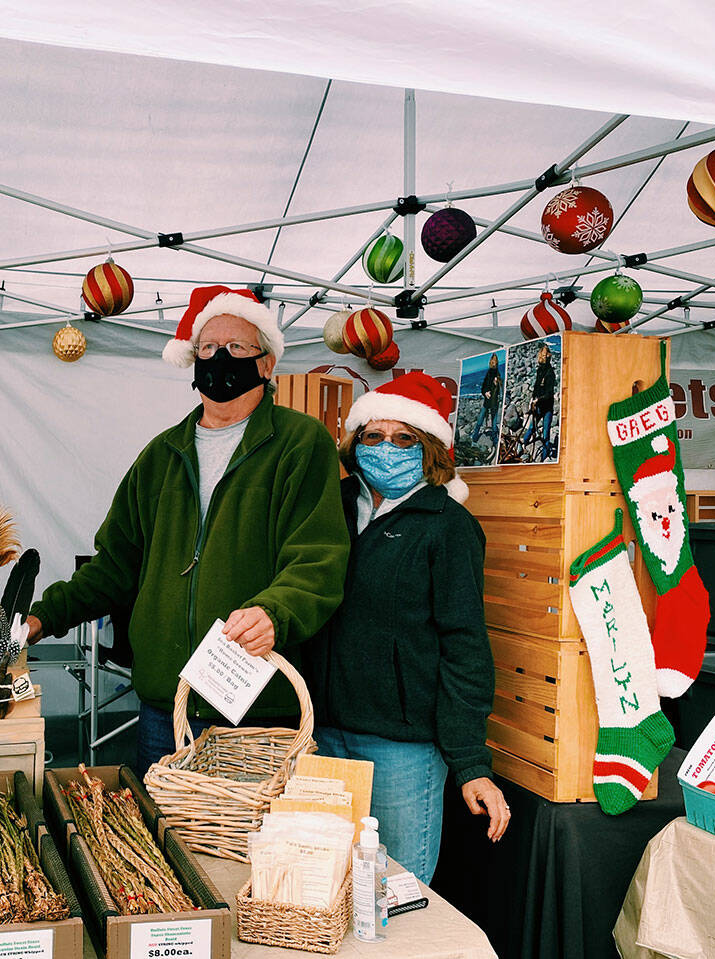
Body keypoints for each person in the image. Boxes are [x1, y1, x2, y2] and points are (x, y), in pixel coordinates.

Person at [26, 285, 350, 775]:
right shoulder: (161, 455)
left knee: (242, 848)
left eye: (238, 347)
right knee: (167, 842)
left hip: (256, 710)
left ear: (267, 364)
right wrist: (41, 619)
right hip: (165, 705)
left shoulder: (300, 444)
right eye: (208, 347)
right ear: (191, 360)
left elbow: (317, 557)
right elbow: (115, 564)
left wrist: (275, 612)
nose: (221, 357)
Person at [304, 372, 509, 884]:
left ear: (431, 449)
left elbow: (465, 647)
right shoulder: (329, 506)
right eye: (373, 436)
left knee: (396, 890)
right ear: (355, 442)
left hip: (401, 750)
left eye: (404, 438)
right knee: (324, 884)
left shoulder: (448, 526)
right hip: (322, 735)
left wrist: (470, 762)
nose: (387, 448)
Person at [520, 342, 557, 459]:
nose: (541, 359)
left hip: (546, 406)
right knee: (532, 427)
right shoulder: (540, 370)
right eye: (541, 356)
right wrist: (533, 398)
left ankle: (544, 458)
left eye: (543, 356)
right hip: (539, 406)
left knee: (546, 433)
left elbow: (549, 393)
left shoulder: (550, 373)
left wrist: (537, 400)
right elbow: (536, 387)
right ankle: (523, 445)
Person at [470, 353, 502, 444]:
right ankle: (475, 436)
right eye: (493, 362)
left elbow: (499, 389)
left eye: (495, 362)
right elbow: (483, 387)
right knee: (481, 418)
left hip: (494, 401)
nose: (494, 364)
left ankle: (494, 438)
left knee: (494, 420)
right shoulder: (489, 373)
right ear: (490, 362)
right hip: (488, 401)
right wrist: (485, 393)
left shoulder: (498, 374)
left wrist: (496, 384)